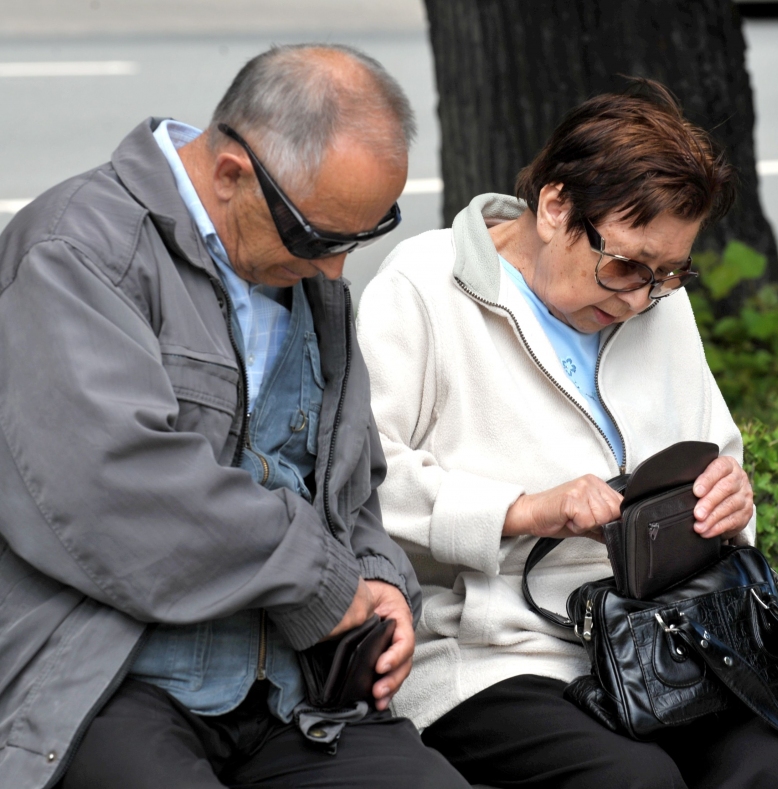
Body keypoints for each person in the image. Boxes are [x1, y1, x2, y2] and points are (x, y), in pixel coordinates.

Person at [0, 44, 469, 789]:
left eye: (362, 236)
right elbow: (120, 492)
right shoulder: (75, 251)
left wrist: (378, 577)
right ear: (230, 174)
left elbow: (351, 485)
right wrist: (324, 581)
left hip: (291, 691)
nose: (336, 270)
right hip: (111, 674)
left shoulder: (297, 265)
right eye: (320, 238)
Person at [356, 81, 778, 788]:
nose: (639, 297)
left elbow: (717, 452)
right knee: (632, 781)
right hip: (492, 652)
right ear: (555, 207)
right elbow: (361, 481)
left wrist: (731, 500)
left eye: (668, 273)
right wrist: (524, 510)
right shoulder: (424, 288)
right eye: (626, 264)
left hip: (663, 645)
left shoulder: (659, 303)